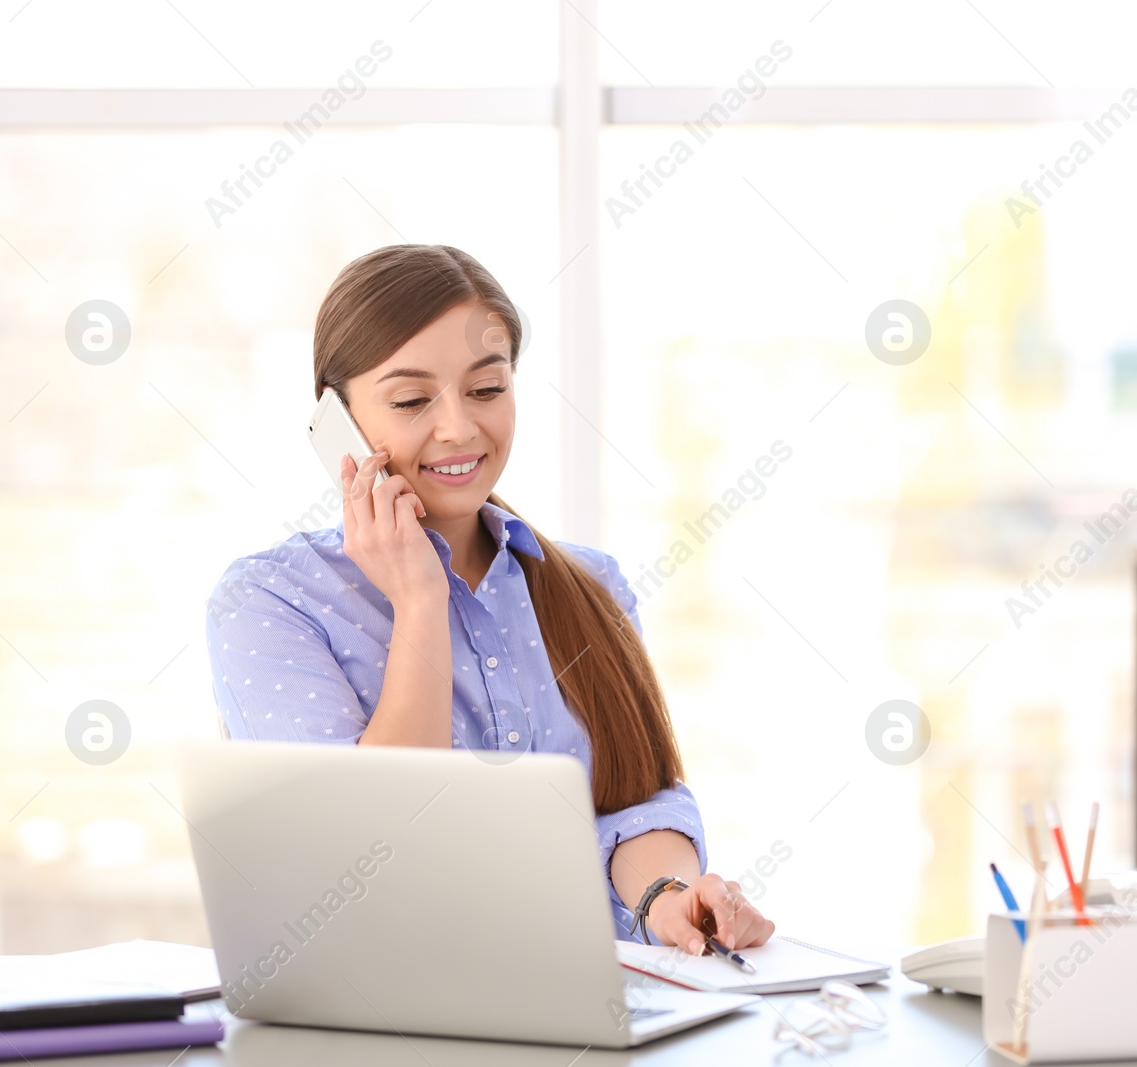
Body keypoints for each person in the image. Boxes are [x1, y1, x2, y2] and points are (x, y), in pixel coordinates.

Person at [205, 244, 772, 955]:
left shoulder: (589, 586)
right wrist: (419, 599)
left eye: (487, 389)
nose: (460, 428)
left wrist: (668, 900)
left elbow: (634, 800)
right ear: (337, 423)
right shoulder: (269, 604)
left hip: (593, 1002)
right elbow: (372, 859)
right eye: (412, 400)